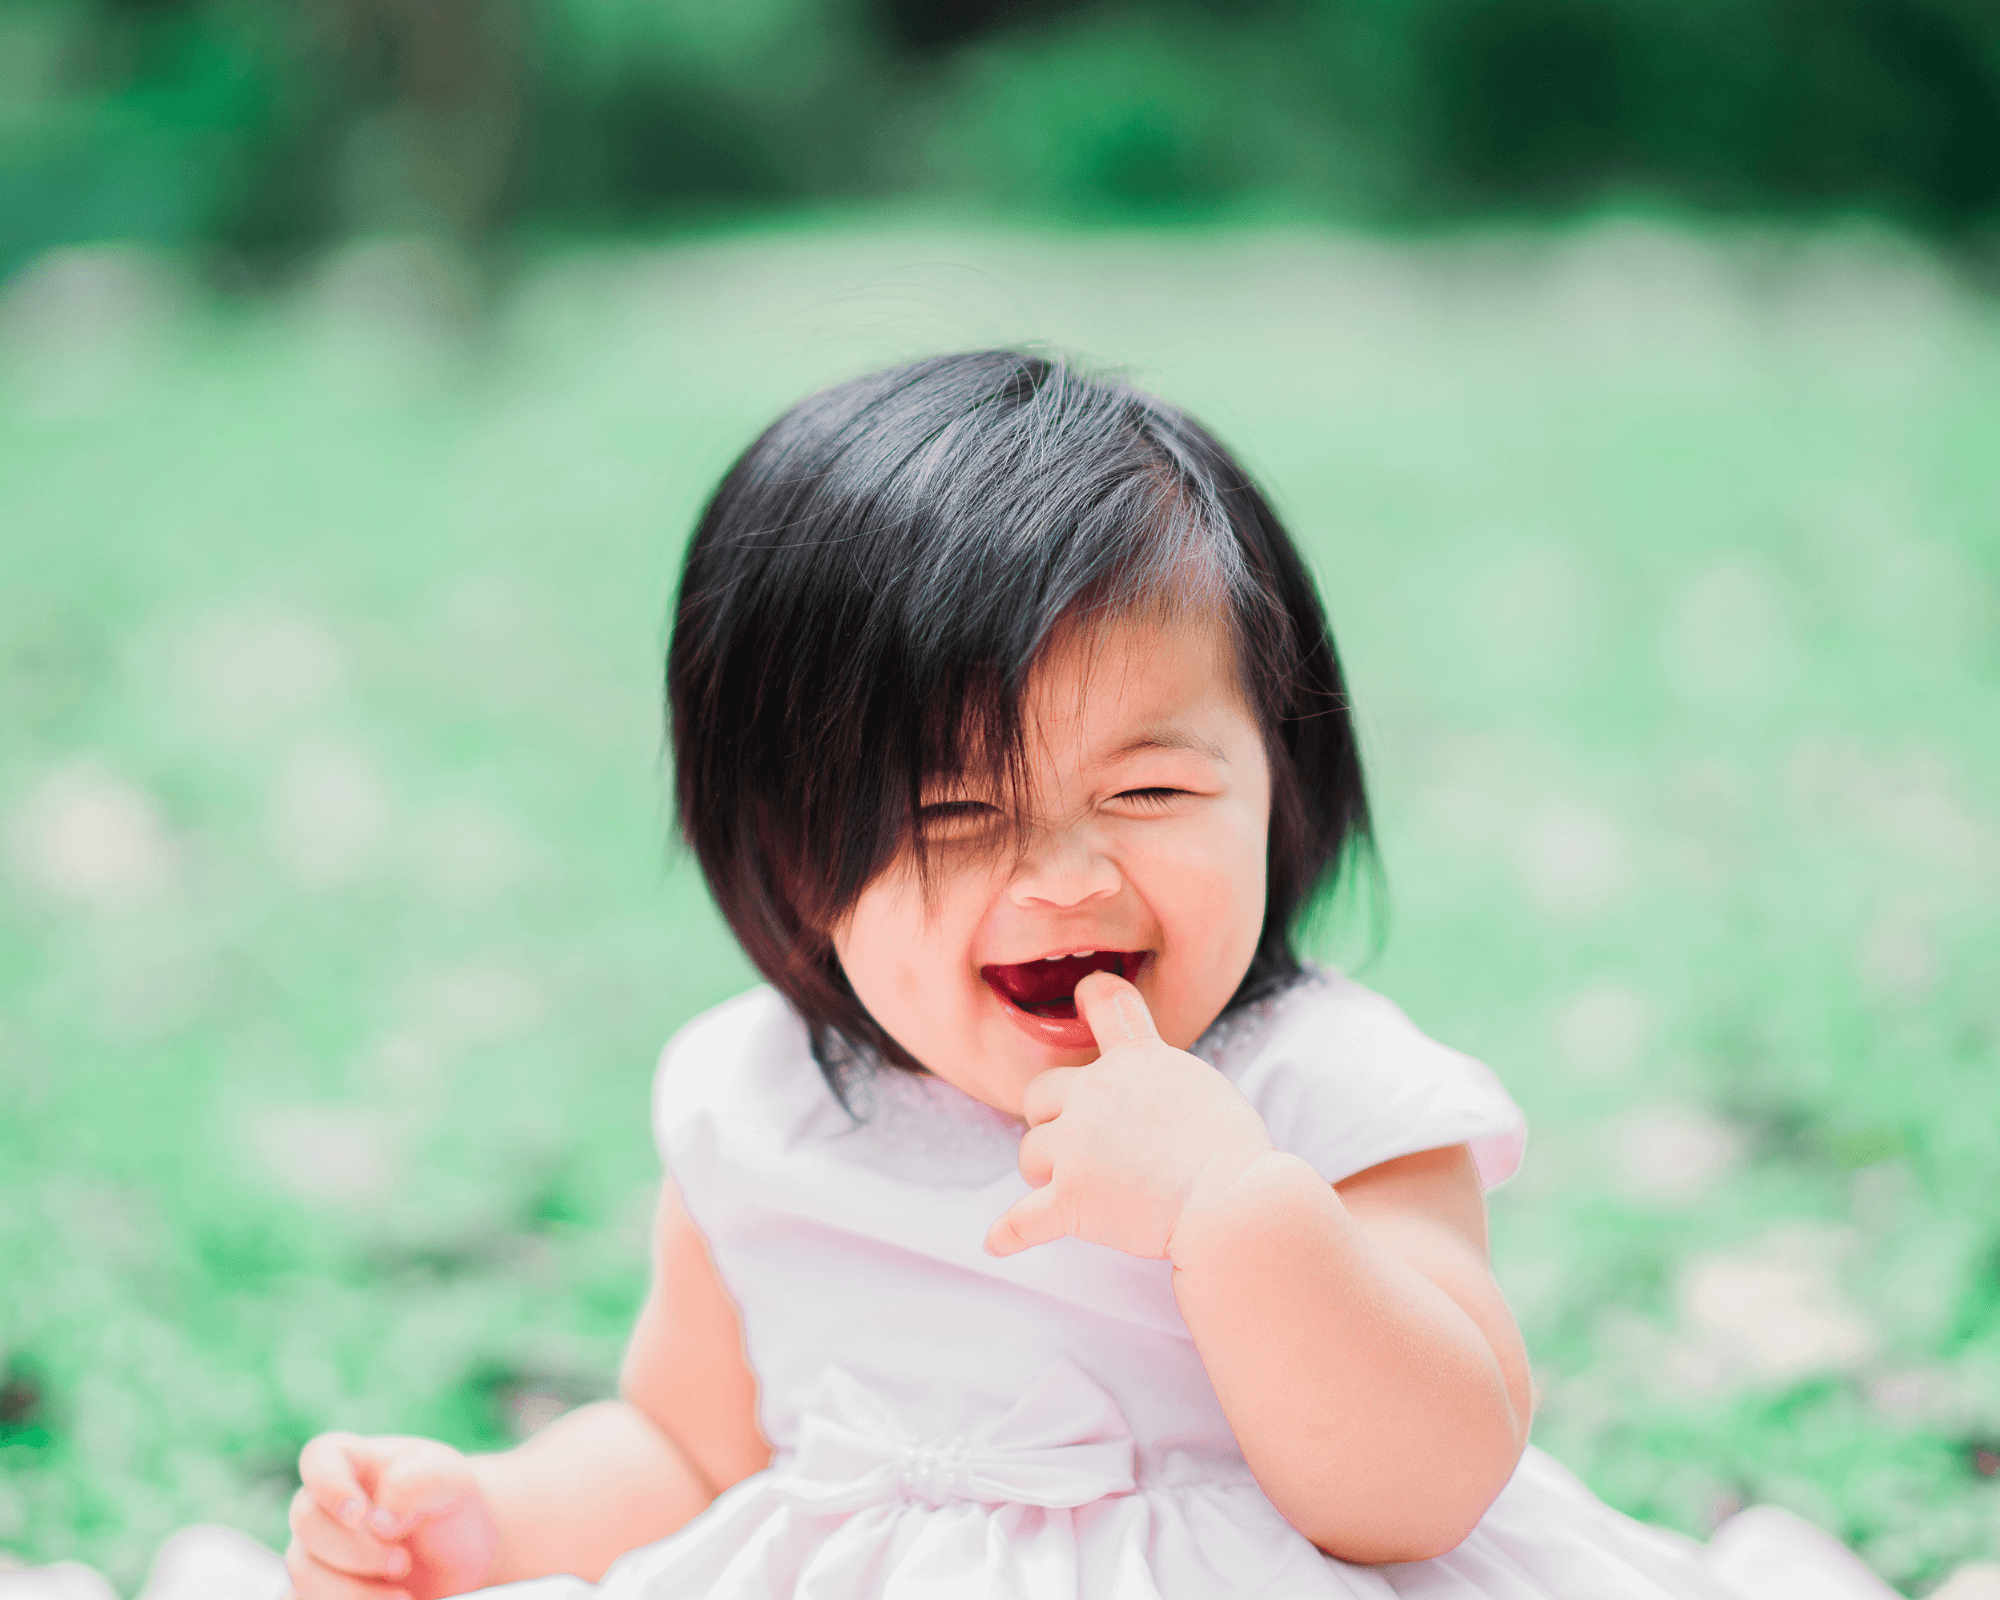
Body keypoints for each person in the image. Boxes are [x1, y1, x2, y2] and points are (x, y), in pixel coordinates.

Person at [9, 352, 1910, 1600]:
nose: (1066, 871)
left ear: (1286, 782)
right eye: (951, 817)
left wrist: (1230, 1205)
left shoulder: (1331, 1097)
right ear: (791, 854)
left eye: (1153, 785)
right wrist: (495, 1520)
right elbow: (686, 1440)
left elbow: (1416, 1486)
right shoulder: (761, 1105)